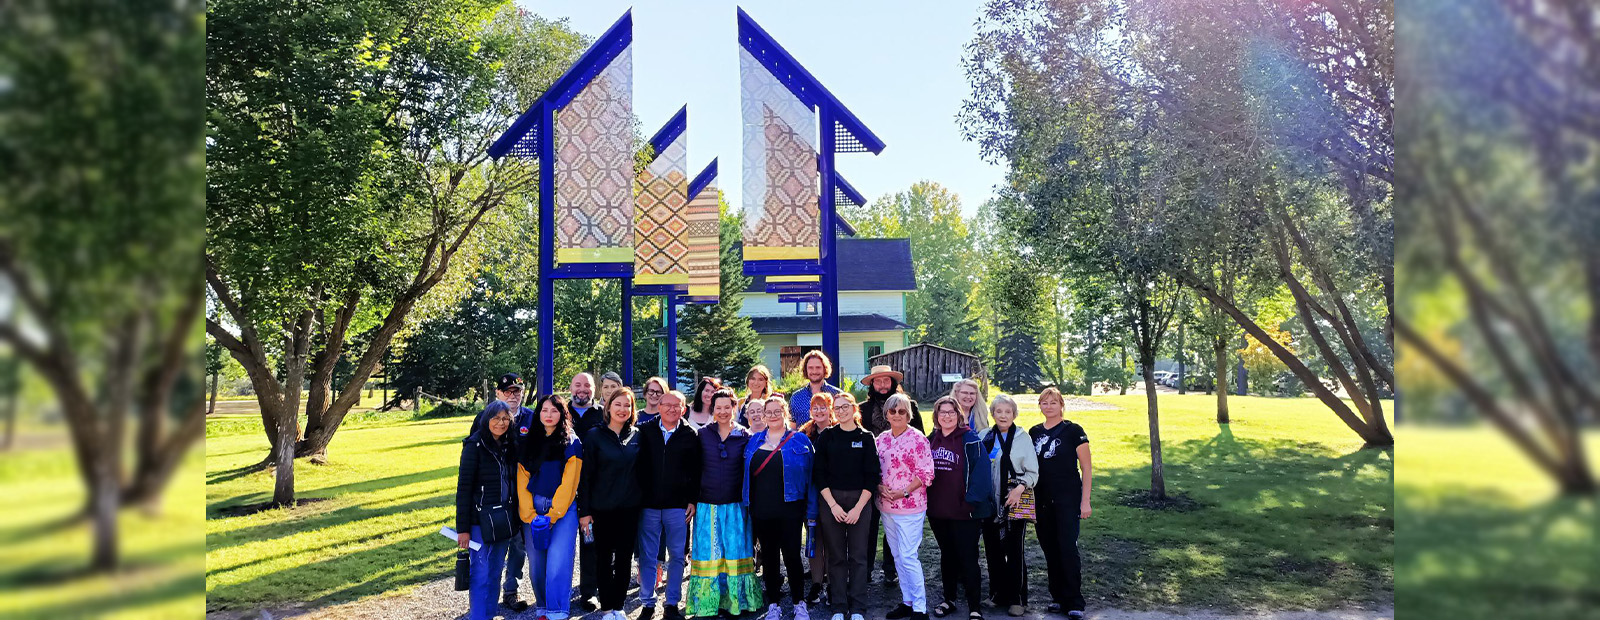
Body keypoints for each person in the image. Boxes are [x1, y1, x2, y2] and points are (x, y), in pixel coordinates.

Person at [687, 389, 763, 618]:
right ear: (712, 410)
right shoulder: (702, 434)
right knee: (709, 555)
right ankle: (707, 603)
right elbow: (693, 470)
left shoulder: (745, 435)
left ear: (734, 408)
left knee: (734, 553)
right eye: (717, 408)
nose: (722, 411)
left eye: (726, 407)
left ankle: (735, 602)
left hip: (735, 505)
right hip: (707, 505)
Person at [466, 373, 534, 613]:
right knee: (486, 560)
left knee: (517, 547)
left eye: (517, 391)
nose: (513, 395)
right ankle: (480, 607)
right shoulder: (483, 419)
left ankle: (511, 590)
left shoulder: (531, 417)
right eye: (508, 392)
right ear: (498, 394)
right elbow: (473, 461)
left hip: (521, 497)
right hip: (491, 500)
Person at [744, 396, 816, 620]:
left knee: (793, 557)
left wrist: (811, 510)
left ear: (785, 413)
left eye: (777, 411)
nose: (773, 415)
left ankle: (798, 603)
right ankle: (773, 604)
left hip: (790, 510)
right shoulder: (753, 441)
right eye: (769, 412)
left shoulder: (801, 441)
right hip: (761, 510)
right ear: (763, 415)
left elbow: (812, 478)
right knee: (769, 557)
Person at [926, 396, 996, 620]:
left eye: (951, 412)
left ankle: (975, 606)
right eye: (942, 412)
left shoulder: (970, 440)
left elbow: (982, 473)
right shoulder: (932, 439)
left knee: (968, 558)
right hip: (939, 511)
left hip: (965, 512)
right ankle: (949, 599)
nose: (946, 416)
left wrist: (970, 502)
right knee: (947, 556)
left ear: (959, 415)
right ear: (936, 416)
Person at [812, 392, 880, 620]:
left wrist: (859, 507)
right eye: (837, 408)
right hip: (831, 503)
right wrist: (832, 505)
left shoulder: (866, 437)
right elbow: (818, 474)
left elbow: (872, 476)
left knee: (859, 557)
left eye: (845, 407)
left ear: (854, 409)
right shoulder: (827, 437)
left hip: (860, 502)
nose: (841, 411)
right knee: (836, 556)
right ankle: (839, 606)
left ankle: (858, 607)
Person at [578, 388, 644, 620]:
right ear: (608, 407)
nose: (622, 409)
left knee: (624, 559)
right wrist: (584, 512)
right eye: (618, 404)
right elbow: (585, 477)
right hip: (601, 509)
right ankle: (606, 608)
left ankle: (618, 606)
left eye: (627, 405)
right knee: (604, 559)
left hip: (629, 509)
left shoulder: (637, 435)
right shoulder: (595, 436)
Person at [634, 390, 701, 620]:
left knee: (677, 556)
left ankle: (671, 603)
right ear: (659, 406)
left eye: (677, 406)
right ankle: (648, 603)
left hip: (678, 506)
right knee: (648, 556)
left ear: (684, 409)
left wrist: (692, 499)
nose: (672, 409)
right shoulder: (644, 431)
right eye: (668, 405)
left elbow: (696, 471)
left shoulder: (691, 434)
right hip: (649, 505)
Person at [518, 394, 584, 620]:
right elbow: (522, 479)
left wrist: (553, 514)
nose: (548, 415)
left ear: (562, 414)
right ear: (538, 414)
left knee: (558, 561)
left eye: (554, 411)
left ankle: (558, 610)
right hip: (533, 510)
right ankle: (543, 607)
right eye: (544, 410)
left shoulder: (571, 441)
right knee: (537, 564)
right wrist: (530, 514)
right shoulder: (528, 442)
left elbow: (570, 482)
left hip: (563, 512)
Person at [1029, 388, 1093, 619]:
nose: (1048, 406)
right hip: (1042, 500)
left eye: (1053, 402)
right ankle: (1057, 596)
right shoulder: (1034, 432)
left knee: (1067, 548)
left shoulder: (1074, 431)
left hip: (1067, 498)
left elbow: (1086, 468)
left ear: (1061, 405)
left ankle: (1074, 599)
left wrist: (1085, 502)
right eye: (1044, 403)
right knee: (1050, 549)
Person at [856, 364, 922, 585]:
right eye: (878, 381)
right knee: (869, 525)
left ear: (894, 383)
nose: (883, 385)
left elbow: (920, 439)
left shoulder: (910, 406)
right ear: (872, 384)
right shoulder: (862, 410)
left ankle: (892, 569)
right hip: (870, 475)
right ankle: (865, 570)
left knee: (895, 526)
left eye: (886, 381)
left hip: (902, 479)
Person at [456, 401, 519, 620]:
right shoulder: (474, 446)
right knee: (480, 573)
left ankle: (489, 614)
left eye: (505, 418)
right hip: (478, 521)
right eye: (496, 418)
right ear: (486, 419)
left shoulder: (510, 446)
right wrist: (462, 529)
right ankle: (479, 616)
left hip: (503, 519)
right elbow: (463, 489)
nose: (500, 423)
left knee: (495, 572)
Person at [875, 393, 935, 620]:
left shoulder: (918, 439)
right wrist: (880, 487)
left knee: (909, 556)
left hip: (910, 506)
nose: (897, 415)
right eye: (893, 411)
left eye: (902, 411)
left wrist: (904, 491)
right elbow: (874, 469)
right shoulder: (881, 439)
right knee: (898, 556)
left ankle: (920, 608)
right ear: (886, 414)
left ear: (909, 414)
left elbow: (927, 473)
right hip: (886, 506)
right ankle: (907, 601)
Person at [979, 395, 1040, 617]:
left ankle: (1017, 598)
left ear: (1014, 414)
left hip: (1014, 499)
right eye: (998, 411)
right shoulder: (985, 436)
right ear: (992, 414)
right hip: (989, 502)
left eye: (1007, 411)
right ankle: (998, 594)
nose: (1003, 415)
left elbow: (1033, 472)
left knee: (1014, 551)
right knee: (993, 550)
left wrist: (1019, 488)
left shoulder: (1022, 438)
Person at [566, 372, 603, 610]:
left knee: (591, 542)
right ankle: (556, 591)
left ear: (594, 389)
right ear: (570, 387)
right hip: (563, 490)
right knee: (561, 544)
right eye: (578, 385)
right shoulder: (560, 411)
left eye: (587, 385)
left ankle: (589, 591)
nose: (582, 389)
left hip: (593, 488)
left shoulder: (602, 414)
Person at [796, 392, 837, 606]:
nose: (819, 411)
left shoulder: (839, 432)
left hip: (834, 495)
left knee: (832, 541)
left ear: (830, 409)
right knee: (814, 539)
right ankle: (816, 582)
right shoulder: (804, 434)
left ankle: (832, 582)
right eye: (815, 408)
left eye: (823, 407)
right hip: (810, 496)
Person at [788, 351, 841, 427]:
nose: (814, 371)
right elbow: (792, 427)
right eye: (810, 368)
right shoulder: (796, 397)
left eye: (818, 367)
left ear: (825, 368)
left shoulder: (837, 394)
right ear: (805, 370)